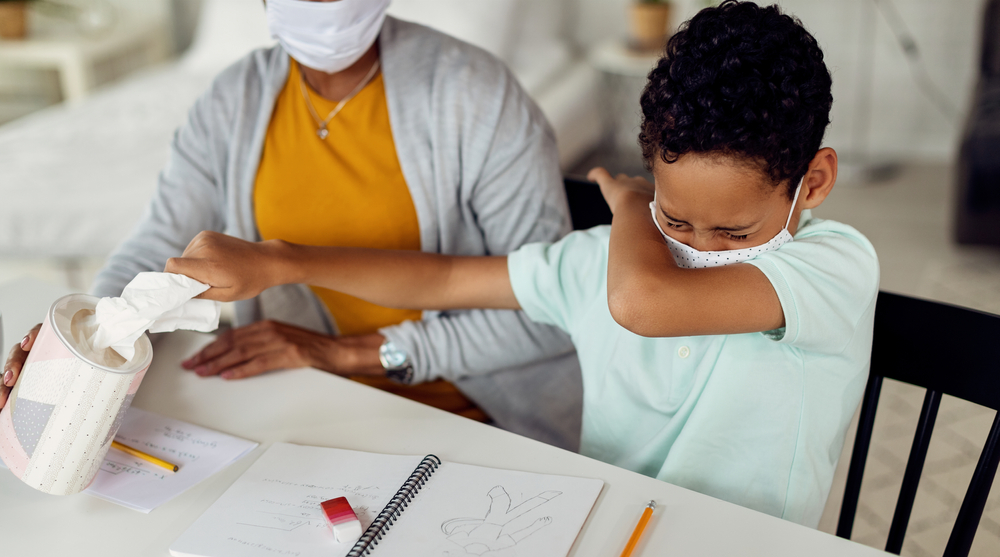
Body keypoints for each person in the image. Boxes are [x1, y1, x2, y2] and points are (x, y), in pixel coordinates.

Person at [159, 0, 879, 527]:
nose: (696, 244)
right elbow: (444, 278)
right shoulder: (601, 261)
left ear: (812, 182)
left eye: (730, 229)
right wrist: (281, 261)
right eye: (675, 215)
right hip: (604, 535)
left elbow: (641, 303)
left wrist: (631, 209)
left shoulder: (833, 269)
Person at [1, 0, 582, 449]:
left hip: (472, 415)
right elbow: (157, 247)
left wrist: (347, 353)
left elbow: (552, 313)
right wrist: (77, 342)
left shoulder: (477, 96)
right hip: (301, 407)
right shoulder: (235, 100)